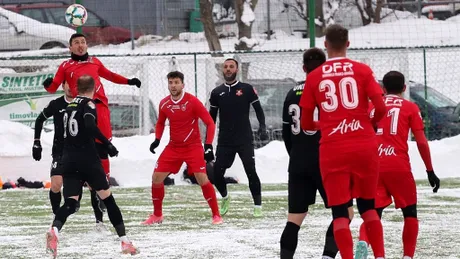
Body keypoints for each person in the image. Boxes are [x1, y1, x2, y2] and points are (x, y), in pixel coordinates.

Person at [299, 24, 387, 259]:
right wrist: (369, 122)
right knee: (368, 208)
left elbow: (306, 123)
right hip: (363, 145)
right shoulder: (362, 70)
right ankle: (380, 256)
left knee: (339, 213)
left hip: (333, 149)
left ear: (325, 44)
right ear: (348, 44)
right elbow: (381, 108)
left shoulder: (314, 76)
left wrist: (326, 125)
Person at [42, 33, 141, 226]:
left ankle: (100, 193)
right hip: (79, 110)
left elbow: (110, 75)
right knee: (84, 150)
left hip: (99, 109)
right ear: (70, 48)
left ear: (87, 45)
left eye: (83, 42)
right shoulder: (65, 66)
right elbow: (53, 87)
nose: (80, 46)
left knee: (102, 149)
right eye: (76, 43)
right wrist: (47, 86)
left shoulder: (95, 62)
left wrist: (129, 81)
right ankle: (76, 195)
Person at [45, 75, 138, 257]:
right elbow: (89, 125)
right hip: (87, 160)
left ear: (77, 88)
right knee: (108, 199)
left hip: (68, 160)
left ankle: (55, 230)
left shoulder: (68, 106)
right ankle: (125, 242)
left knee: (71, 202)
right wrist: (107, 144)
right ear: (94, 87)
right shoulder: (89, 104)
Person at [354, 71, 440, 259]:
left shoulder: (370, 107)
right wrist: (430, 170)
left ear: (383, 88)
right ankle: (407, 256)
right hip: (398, 166)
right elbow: (421, 142)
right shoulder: (410, 107)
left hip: (374, 165)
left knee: (372, 213)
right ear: (404, 88)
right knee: (410, 214)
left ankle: (363, 242)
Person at [280, 48, 354, 259]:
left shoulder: (291, 93)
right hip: (327, 160)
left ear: (303, 68)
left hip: (298, 162)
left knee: (294, 219)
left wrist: (296, 155)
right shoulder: (330, 90)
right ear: (325, 66)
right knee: (345, 214)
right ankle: (327, 256)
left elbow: (287, 134)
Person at [142, 71, 222, 225]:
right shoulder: (165, 103)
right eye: (171, 82)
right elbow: (160, 122)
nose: (173, 85)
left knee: (201, 178)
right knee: (156, 178)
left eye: (176, 82)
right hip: (173, 147)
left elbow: (210, 123)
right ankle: (157, 215)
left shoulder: (192, 101)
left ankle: (216, 215)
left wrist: (208, 145)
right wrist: (157, 139)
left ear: (182, 85)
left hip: (193, 147)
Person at [208, 58, 268, 217]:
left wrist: (263, 127)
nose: (228, 69)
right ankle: (225, 197)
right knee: (217, 174)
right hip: (225, 141)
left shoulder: (247, 89)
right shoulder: (216, 92)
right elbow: (211, 120)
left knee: (251, 171)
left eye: (231, 66)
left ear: (237, 70)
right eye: (225, 67)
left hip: (244, 139)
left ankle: (257, 207)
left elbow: (259, 110)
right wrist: (207, 143)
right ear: (222, 70)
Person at [33, 81, 73, 215]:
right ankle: (56, 218)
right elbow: (39, 120)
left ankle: (99, 221)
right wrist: (36, 142)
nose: (71, 87)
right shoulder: (56, 104)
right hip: (60, 151)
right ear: (63, 86)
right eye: (68, 83)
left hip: (80, 150)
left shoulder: (84, 103)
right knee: (56, 184)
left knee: (93, 186)